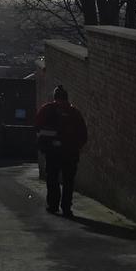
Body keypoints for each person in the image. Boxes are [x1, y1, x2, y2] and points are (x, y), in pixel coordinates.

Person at [34, 85, 88, 218]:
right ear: (66, 98)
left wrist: (44, 146)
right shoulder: (74, 113)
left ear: (55, 98)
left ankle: (53, 206)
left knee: (52, 179)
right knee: (68, 182)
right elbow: (83, 134)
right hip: (70, 154)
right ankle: (66, 208)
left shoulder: (46, 109)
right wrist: (76, 147)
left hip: (52, 153)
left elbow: (37, 128)